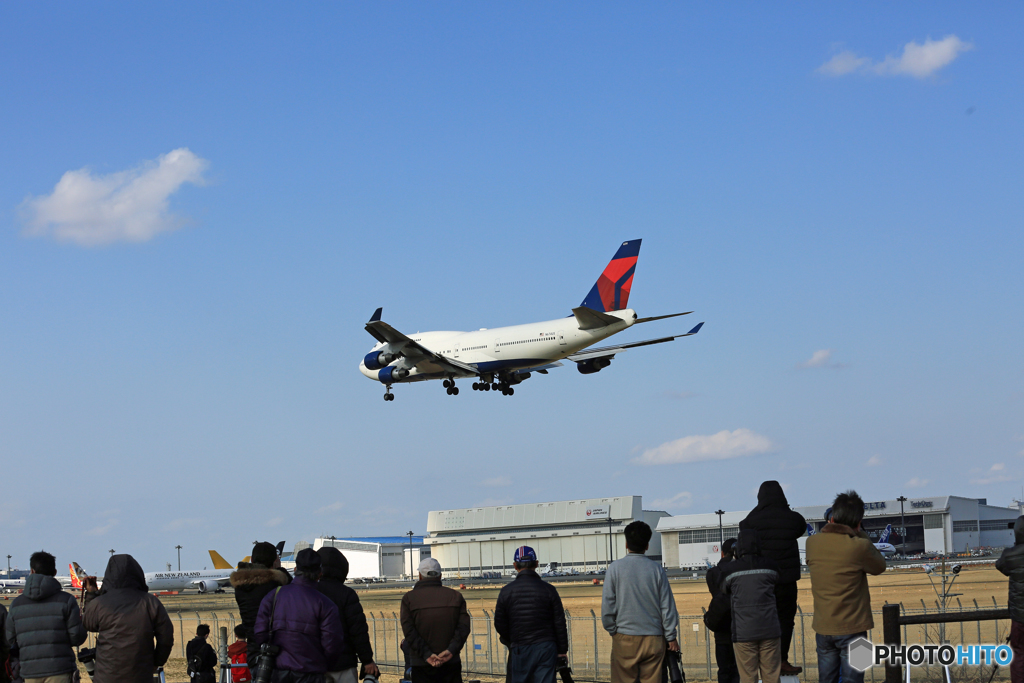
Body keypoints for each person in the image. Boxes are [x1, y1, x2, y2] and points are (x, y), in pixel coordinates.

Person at [805, 491, 886, 683]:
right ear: (858, 522)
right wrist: (861, 533)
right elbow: (879, 566)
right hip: (854, 627)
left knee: (827, 680)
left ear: (832, 518)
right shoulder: (859, 546)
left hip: (824, 626)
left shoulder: (812, 543)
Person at [738, 481, 806, 676]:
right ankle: (781, 660)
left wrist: (759, 509)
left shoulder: (752, 520)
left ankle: (763, 662)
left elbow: (744, 527)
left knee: (762, 621)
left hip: (763, 580)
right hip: (787, 580)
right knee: (786, 620)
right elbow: (801, 527)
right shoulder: (793, 518)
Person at [601, 521, 680, 683]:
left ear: (626, 544)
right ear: (647, 545)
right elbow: (667, 606)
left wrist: (613, 630)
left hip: (624, 637)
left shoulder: (614, 569)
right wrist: (671, 636)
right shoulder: (656, 569)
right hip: (653, 638)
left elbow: (608, 606)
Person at [253, 547, 344, 683]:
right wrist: (323, 664)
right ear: (320, 574)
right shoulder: (326, 604)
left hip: (277, 671)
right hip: (311, 672)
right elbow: (332, 644)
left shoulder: (274, 595)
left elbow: (260, 632)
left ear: (295, 570)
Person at [81, 553, 174, 683]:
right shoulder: (150, 602)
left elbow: (89, 624)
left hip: (106, 675)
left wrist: (92, 594)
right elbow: (166, 638)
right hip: (140, 674)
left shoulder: (99, 603)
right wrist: (156, 662)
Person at [4, 551, 87, 683]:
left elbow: (10, 639)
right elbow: (76, 637)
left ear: (32, 571)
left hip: (29, 671)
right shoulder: (67, 600)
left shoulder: (16, 604)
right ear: (55, 572)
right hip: (60, 669)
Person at [493, 546, 569, 683]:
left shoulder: (506, 591)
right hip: (546, 647)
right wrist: (562, 650)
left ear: (515, 565)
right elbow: (559, 623)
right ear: (536, 564)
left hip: (520, 647)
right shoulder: (549, 590)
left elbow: (499, 623)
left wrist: (512, 639)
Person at [721, 529, 781, 683]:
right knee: (772, 676)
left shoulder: (731, 569)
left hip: (743, 632)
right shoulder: (771, 566)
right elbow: (778, 586)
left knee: (748, 677)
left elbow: (723, 589)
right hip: (770, 629)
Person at [400, 558, 470, 683]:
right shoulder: (456, 596)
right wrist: (450, 651)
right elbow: (463, 628)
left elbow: (409, 631)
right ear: (440, 576)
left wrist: (426, 655)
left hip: (421, 664)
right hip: (450, 663)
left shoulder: (409, 598)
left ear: (420, 576)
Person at [316, 547, 379, 683]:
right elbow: (358, 631)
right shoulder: (346, 594)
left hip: (313, 663)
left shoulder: (307, 592)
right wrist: (367, 660)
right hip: (343, 663)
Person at [232, 541, 292, 670]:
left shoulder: (240, 587)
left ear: (252, 560)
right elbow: (294, 591)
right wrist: (281, 571)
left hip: (253, 648)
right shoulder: (276, 584)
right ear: (275, 561)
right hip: (277, 647)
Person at [705, 539, 739, 683]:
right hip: (739, 626)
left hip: (720, 625)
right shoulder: (739, 570)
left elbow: (716, 595)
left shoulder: (712, 573)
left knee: (723, 670)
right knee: (738, 670)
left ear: (722, 553)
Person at [996, 515, 1024, 683]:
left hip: (1019, 617)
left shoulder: (1010, 555)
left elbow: (1000, 566)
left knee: (1018, 653)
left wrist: (1016, 546)